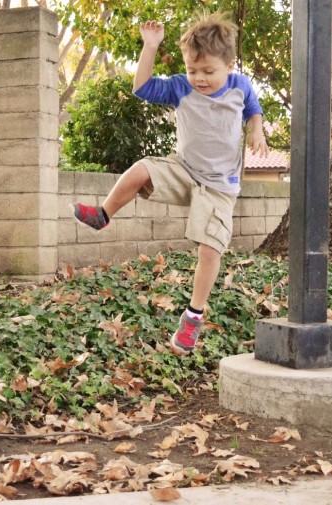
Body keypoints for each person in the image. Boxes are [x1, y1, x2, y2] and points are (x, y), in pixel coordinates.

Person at [72, 11, 268, 355]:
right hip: (184, 170)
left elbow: (253, 109)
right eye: (194, 71)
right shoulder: (180, 86)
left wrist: (256, 130)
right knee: (139, 171)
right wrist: (150, 47)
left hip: (220, 187)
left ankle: (192, 318)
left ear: (229, 65)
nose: (200, 79)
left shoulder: (242, 87)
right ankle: (103, 215)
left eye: (209, 72)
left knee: (209, 251)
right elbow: (142, 87)